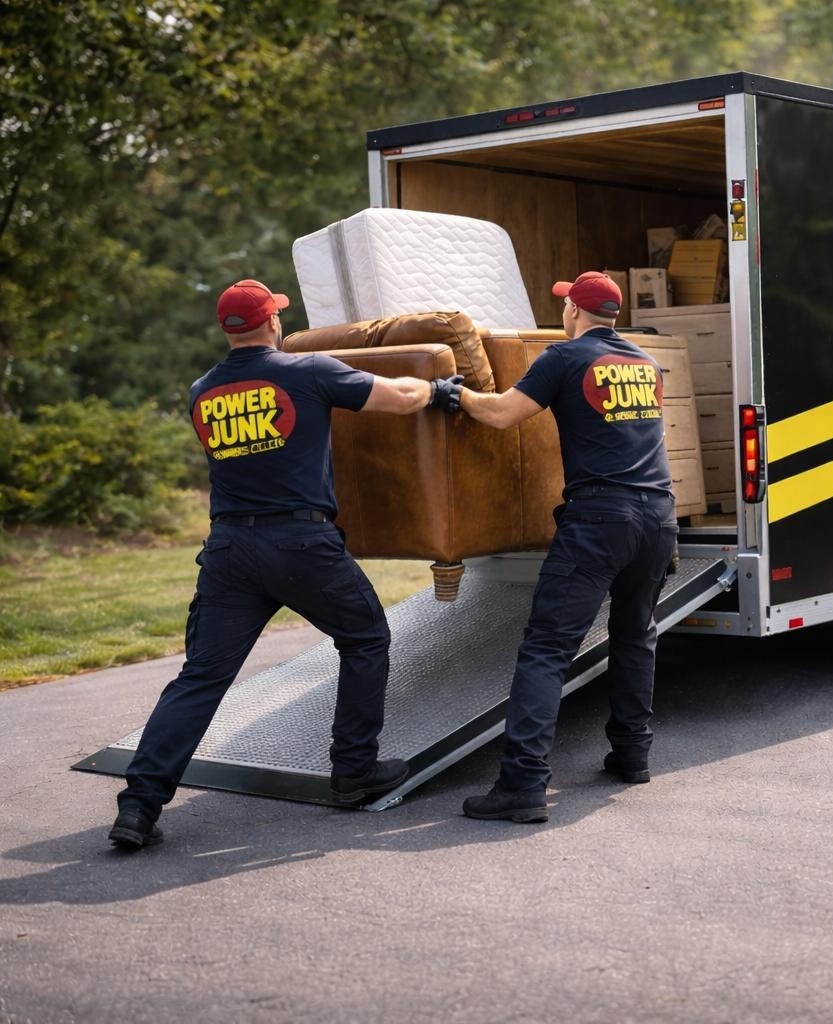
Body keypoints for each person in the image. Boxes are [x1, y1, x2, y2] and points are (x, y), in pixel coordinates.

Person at [108, 278, 463, 850]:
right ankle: (353, 772)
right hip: (301, 543)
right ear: (273, 322)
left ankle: (138, 806)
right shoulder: (308, 371)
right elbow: (395, 398)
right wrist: (436, 391)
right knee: (367, 636)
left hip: (228, 551)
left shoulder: (203, 390)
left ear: (227, 330)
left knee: (201, 677)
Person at [453, 271, 678, 824]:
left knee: (547, 648)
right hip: (658, 515)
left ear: (574, 311)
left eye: (565, 307)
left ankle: (523, 784)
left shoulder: (564, 356)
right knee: (634, 637)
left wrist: (453, 393)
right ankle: (632, 755)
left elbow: (503, 414)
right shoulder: (645, 365)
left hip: (600, 517)